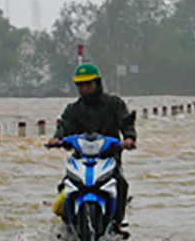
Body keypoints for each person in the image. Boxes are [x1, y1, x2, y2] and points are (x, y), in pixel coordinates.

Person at [47, 63, 137, 226]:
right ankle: (67, 223)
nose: (85, 88)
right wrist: (56, 139)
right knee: (64, 185)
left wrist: (129, 139)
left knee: (121, 184)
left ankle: (117, 222)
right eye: (80, 85)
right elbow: (64, 126)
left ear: (97, 83)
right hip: (81, 159)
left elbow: (126, 123)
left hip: (108, 158)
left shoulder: (114, 104)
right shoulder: (73, 109)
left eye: (88, 84)